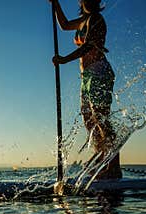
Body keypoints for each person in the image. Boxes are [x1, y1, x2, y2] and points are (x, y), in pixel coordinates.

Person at [50, 0, 122, 179]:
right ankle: (102, 157)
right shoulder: (83, 21)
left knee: (100, 117)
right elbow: (65, 25)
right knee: (89, 121)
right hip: (86, 77)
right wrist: (56, 4)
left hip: (99, 71)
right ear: (81, 2)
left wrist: (65, 59)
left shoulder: (96, 19)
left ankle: (114, 166)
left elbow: (89, 45)